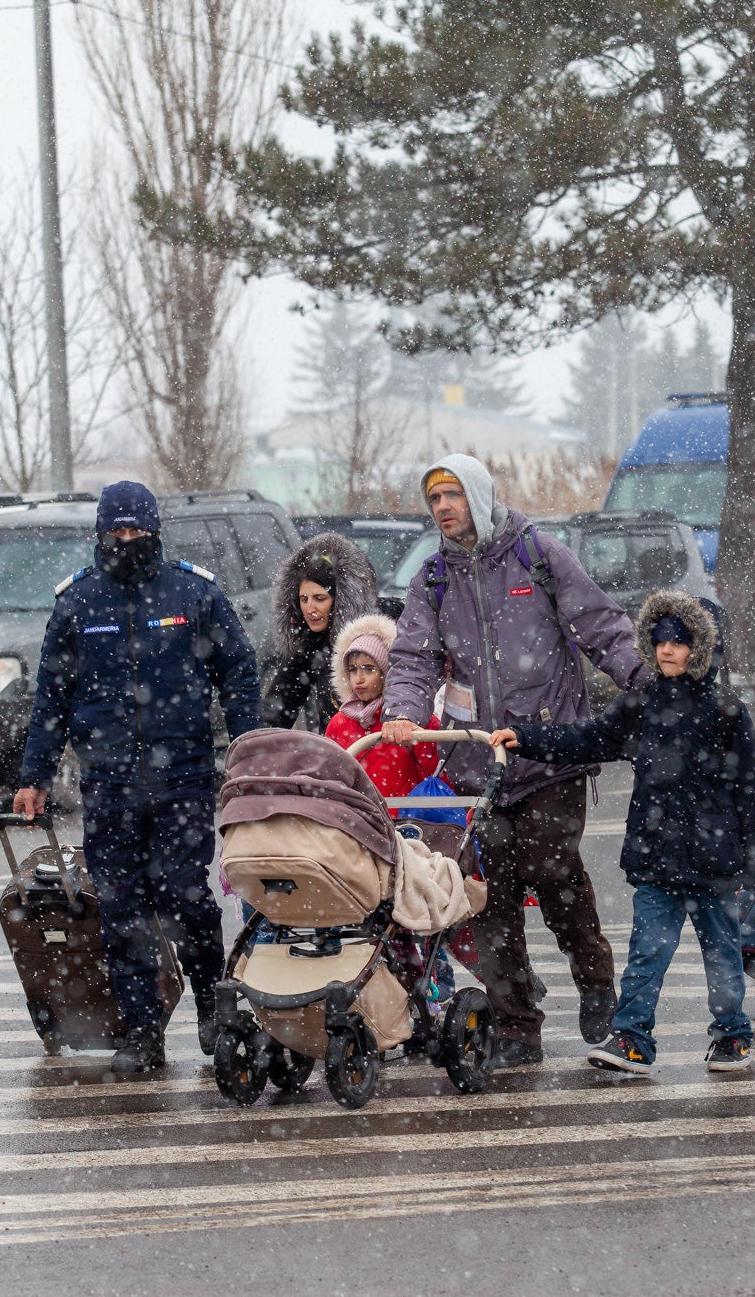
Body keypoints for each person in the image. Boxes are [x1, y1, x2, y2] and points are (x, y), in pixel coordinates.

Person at [383, 453, 649, 1066]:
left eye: (452, 495)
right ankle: (516, 1024)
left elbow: (600, 626)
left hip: (548, 753)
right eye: (434, 500)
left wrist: (647, 684)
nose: (444, 508)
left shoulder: (537, 554)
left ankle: (595, 980)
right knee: (487, 897)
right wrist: (402, 708)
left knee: (554, 872)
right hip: (477, 765)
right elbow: (414, 657)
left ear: (476, 495)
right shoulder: (433, 579)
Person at [12, 481, 261, 1073]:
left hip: (183, 777)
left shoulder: (194, 593)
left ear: (154, 531)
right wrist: (35, 774)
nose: (126, 541)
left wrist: (252, 751)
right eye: (116, 532)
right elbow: (51, 695)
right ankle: (142, 1031)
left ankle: (211, 1003)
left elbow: (240, 673)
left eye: (136, 531)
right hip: (110, 783)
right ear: (101, 533)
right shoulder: (77, 602)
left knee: (184, 894)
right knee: (120, 908)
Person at [491, 591, 755, 1075]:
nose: (667, 651)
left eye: (680, 642)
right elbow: (588, 737)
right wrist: (528, 738)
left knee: (722, 956)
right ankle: (633, 1038)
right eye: (660, 641)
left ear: (703, 647)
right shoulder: (641, 704)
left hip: (714, 863)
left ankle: (732, 1034)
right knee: (646, 954)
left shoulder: (726, 711)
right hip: (657, 858)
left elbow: (750, 789)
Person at [261, 532, 381, 733]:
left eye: (319, 598)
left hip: (381, 745)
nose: (309, 609)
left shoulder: (376, 633)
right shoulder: (310, 643)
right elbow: (278, 706)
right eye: (304, 599)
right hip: (336, 748)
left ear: (339, 600)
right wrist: (255, 742)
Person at [322, 613, 441, 799]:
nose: (358, 679)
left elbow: (436, 786)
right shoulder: (339, 723)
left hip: (407, 824)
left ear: (387, 673)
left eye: (369, 669)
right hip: (355, 822)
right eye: (352, 669)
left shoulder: (414, 720)